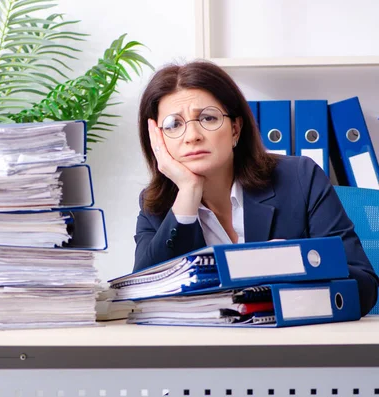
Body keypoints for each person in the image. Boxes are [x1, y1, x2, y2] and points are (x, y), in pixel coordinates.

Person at [134, 60, 379, 316]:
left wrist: (296, 263)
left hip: (291, 346)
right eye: (174, 124)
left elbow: (364, 289)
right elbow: (141, 298)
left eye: (207, 118)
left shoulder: (300, 178)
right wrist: (187, 195)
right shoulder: (158, 204)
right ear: (158, 140)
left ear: (235, 129)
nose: (192, 135)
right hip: (201, 350)